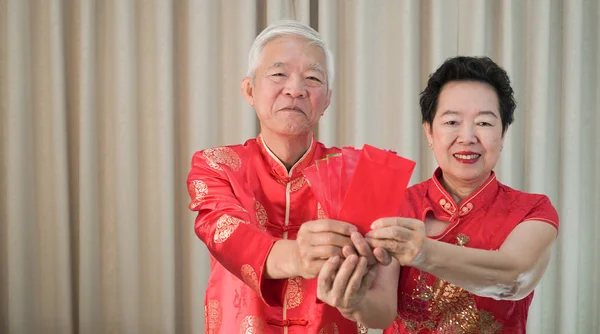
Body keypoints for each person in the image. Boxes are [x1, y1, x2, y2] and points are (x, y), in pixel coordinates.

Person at [316, 56, 559, 333]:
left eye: (484, 123)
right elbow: (381, 313)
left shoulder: (533, 209)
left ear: (503, 134)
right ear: (429, 132)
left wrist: (421, 251)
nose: (467, 137)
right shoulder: (397, 204)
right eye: (452, 121)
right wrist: (354, 302)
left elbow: (515, 276)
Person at [186, 20, 389, 333]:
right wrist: (299, 255)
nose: (295, 89)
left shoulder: (359, 173)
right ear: (249, 90)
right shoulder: (216, 165)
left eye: (312, 78)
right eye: (279, 74)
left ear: (327, 100)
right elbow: (223, 233)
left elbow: (381, 302)